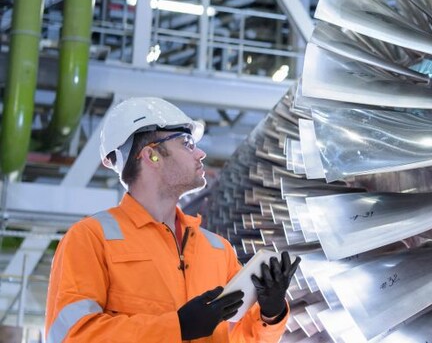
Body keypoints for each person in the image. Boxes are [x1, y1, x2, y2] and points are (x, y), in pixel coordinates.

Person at [44, 97, 300, 342]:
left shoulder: (218, 250)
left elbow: (237, 338)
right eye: (187, 143)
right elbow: (72, 336)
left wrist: (271, 313)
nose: (200, 153)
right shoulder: (92, 239)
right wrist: (177, 327)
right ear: (151, 155)